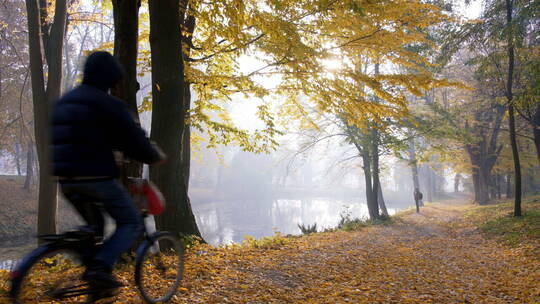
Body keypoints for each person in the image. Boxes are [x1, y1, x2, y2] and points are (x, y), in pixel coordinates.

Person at [51, 51, 165, 294]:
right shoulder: (109, 104)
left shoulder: (65, 100)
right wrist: (155, 156)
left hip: (65, 180)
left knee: (95, 229)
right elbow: (134, 141)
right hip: (97, 178)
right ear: (110, 78)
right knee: (131, 222)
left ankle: (92, 278)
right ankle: (100, 270)